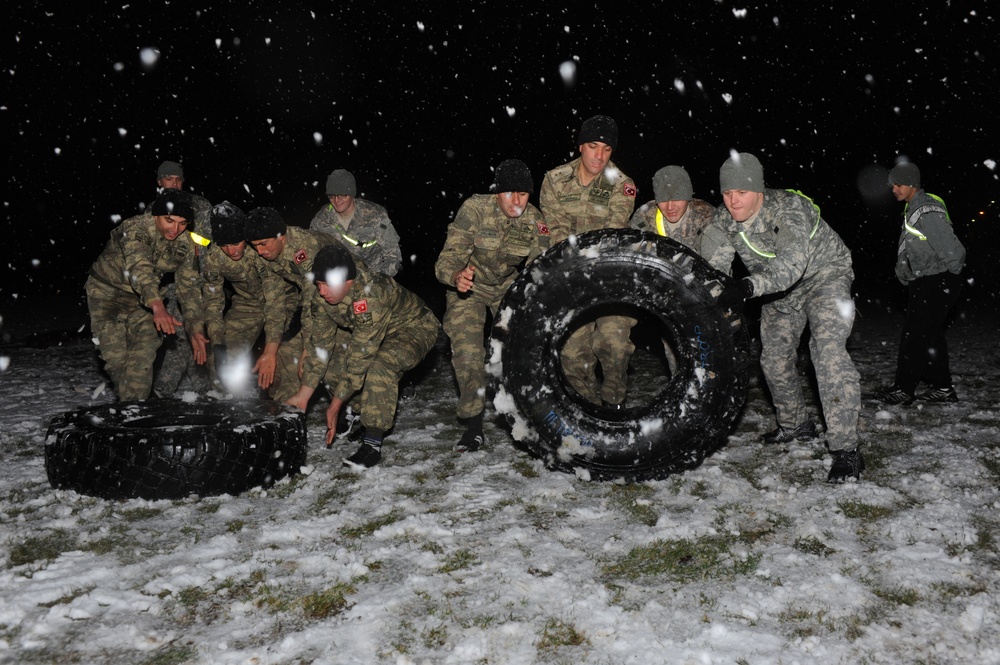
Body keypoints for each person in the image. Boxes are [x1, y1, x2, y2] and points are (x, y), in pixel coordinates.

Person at [704, 152, 863, 483]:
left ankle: (847, 451)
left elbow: (792, 263)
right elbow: (712, 268)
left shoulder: (787, 208)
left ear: (759, 191)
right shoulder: (723, 221)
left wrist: (747, 286)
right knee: (773, 360)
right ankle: (795, 426)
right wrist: (715, 297)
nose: (733, 201)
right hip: (779, 291)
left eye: (742, 193)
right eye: (727, 193)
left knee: (828, 352)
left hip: (825, 276)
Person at [285, 244, 439, 469]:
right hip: (375, 333)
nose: (322, 291)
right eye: (318, 284)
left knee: (379, 365)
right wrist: (302, 396)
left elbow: (361, 357)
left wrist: (335, 404)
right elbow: (321, 348)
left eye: (327, 284)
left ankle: (372, 443)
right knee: (333, 366)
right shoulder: (322, 299)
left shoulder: (371, 295)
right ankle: (359, 410)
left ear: (347, 281)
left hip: (415, 327)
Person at [434, 159, 551, 452]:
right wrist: (455, 276)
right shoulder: (474, 209)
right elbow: (446, 260)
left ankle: (523, 416)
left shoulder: (536, 222)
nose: (516, 201)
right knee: (468, 352)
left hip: (507, 290)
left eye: (523, 194)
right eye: (509, 193)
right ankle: (474, 426)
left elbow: (539, 271)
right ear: (497, 192)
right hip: (469, 287)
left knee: (521, 351)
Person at [539, 114, 637, 409]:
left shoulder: (622, 184)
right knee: (571, 353)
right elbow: (557, 233)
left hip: (610, 277)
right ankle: (589, 408)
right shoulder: (554, 180)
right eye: (593, 146)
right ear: (580, 146)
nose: (599, 156)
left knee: (615, 345)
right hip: (569, 278)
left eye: (607, 149)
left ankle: (613, 403)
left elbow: (612, 235)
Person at [85, 189, 205, 401]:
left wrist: (195, 329)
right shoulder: (135, 228)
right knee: (117, 362)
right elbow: (139, 268)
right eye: (169, 220)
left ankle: (134, 413)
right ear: (156, 215)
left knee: (141, 360)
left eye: (183, 223)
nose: (175, 229)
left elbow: (190, 289)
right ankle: (132, 411)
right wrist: (157, 305)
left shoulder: (186, 244)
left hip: (142, 305)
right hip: (106, 296)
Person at [875, 161, 966, 405]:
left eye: (899, 184)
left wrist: (949, 274)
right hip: (927, 280)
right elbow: (915, 245)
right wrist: (905, 272)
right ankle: (943, 388)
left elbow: (950, 247)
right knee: (930, 335)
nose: (894, 188)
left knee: (914, 336)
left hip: (937, 280)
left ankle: (904, 389)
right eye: (892, 184)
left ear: (913, 184)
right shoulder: (913, 208)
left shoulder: (926, 207)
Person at [200, 202, 302, 401]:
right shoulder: (214, 258)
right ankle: (226, 404)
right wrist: (218, 342)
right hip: (247, 304)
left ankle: (282, 407)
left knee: (283, 357)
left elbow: (275, 302)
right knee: (220, 359)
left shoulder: (260, 249)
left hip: (284, 299)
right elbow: (212, 302)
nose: (231, 251)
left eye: (236, 243)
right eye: (225, 245)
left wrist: (271, 345)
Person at [245, 206, 342, 406]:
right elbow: (274, 302)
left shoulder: (305, 248)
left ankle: (352, 409)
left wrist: (308, 346)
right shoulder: (264, 255)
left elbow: (313, 299)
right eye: (255, 246)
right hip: (318, 299)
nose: (259, 251)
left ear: (281, 236)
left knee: (328, 358)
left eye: (263, 244)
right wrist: (270, 350)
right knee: (286, 355)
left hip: (346, 298)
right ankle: (286, 412)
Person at [150, 160, 215, 397]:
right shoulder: (153, 209)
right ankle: (178, 387)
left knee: (192, 328)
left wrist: (187, 240)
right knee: (174, 333)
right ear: (159, 182)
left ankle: (198, 386)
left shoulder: (200, 205)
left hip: (194, 274)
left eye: (178, 179)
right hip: (164, 281)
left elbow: (208, 241)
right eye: (169, 179)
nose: (174, 184)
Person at [309, 169, 403, 277]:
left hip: (372, 276)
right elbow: (313, 252)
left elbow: (393, 257)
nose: (336, 200)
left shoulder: (375, 215)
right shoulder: (322, 219)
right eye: (331, 195)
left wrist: (375, 281)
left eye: (342, 195)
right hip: (337, 280)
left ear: (352, 193)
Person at [629, 165, 716, 256]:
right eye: (663, 200)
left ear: (688, 197)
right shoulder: (645, 215)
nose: (670, 207)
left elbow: (715, 264)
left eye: (676, 199)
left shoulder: (706, 216)